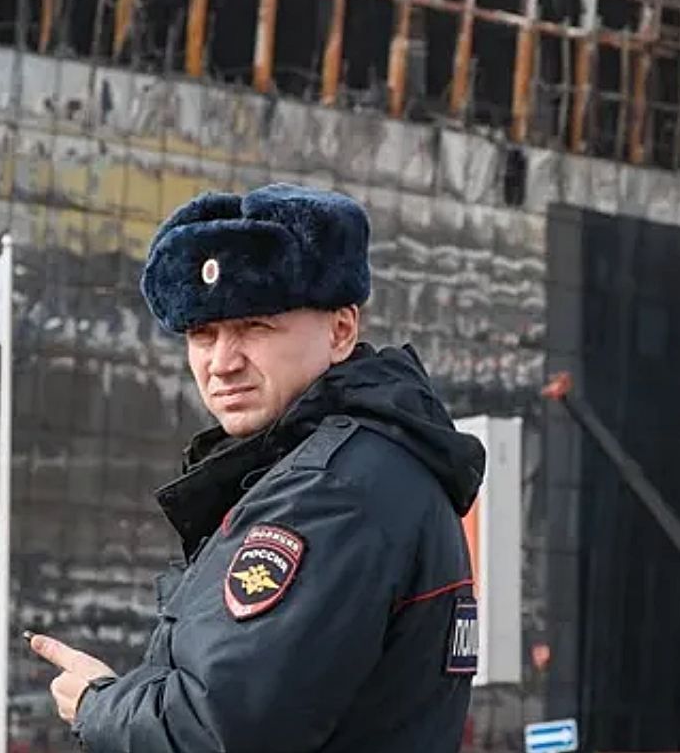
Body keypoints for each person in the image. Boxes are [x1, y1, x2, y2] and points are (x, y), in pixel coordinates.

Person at [29, 182, 488, 752]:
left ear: (341, 330)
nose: (222, 362)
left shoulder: (332, 489)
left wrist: (99, 703)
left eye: (255, 327)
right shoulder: (362, 467)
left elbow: (221, 731)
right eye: (203, 333)